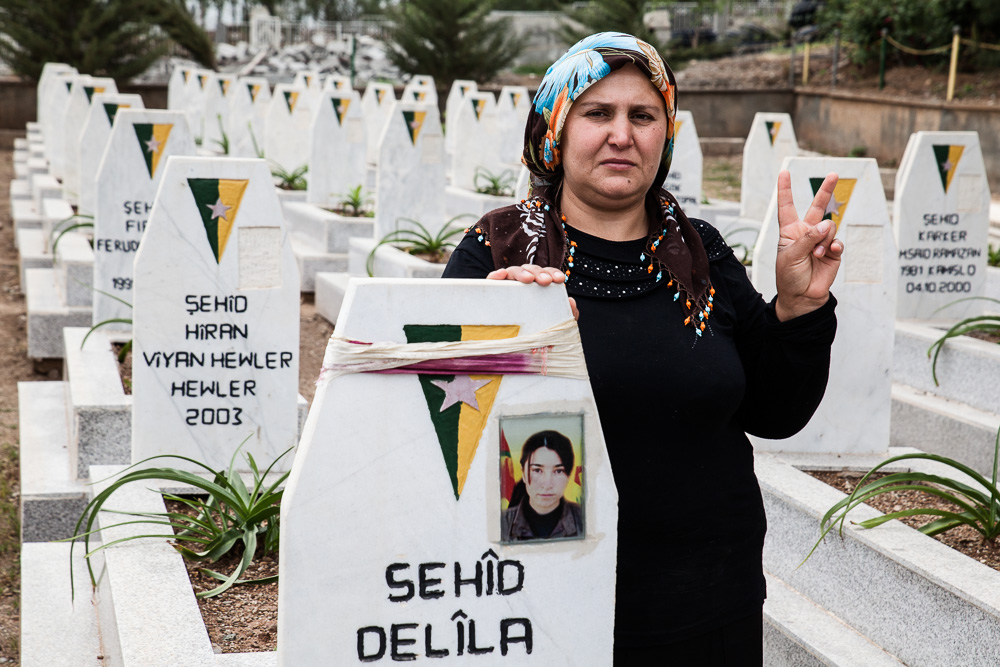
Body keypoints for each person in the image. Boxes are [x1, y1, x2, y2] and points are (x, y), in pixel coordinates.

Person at [443, 32, 842, 665]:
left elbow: (776, 413)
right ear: (555, 128)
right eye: (597, 113)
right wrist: (497, 335)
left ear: (666, 132)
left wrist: (798, 307)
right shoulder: (497, 251)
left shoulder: (703, 253)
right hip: (540, 608)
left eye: (643, 115)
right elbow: (440, 429)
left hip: (711, 603)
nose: (621, 134)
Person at [502, 430, 583, 542]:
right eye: (537, 470)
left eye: (558, 471)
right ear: (523, 474)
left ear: (569, 475)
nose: (547, 484)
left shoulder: (585, 519)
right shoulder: (501, 524)